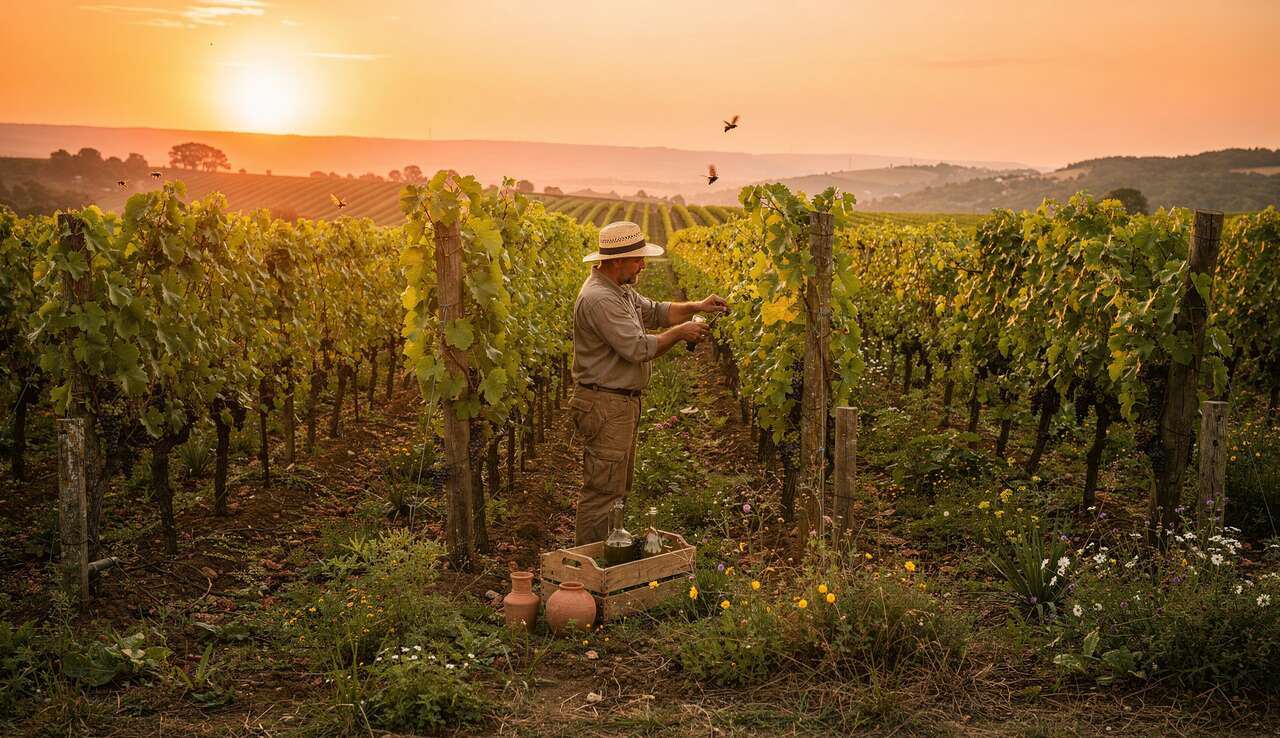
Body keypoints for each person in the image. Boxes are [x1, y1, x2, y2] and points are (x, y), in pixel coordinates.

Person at [568, 220, 728, 545]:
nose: (643, 265)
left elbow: (656, 312)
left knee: (615, 488)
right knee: (602, 492)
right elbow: (638, 348)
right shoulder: (600, 299)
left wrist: (696, 306)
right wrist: (680, 333)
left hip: (617, 404)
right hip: (605, 405)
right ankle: (587, 563)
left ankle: (606, 557)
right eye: (638, 259)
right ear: (617, 261)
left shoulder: (620, 289)